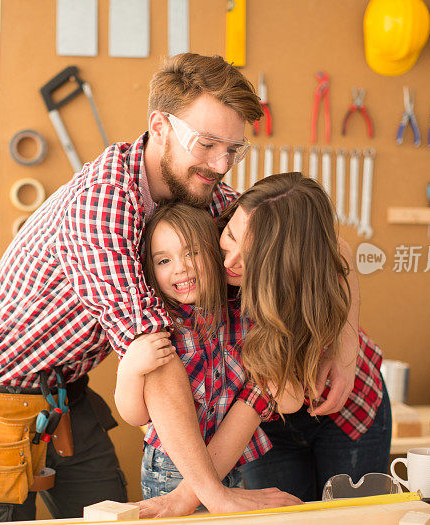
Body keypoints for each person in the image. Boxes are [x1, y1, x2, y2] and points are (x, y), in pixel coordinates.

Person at [0, 53, 299, 523]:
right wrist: (215, 497)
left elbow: (309, 248)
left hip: (67, 395)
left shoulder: (198, 192)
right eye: (206, 144)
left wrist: (343, 347)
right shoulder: (102, 202)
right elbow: (154, 353)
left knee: (113, 518)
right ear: (159, 124)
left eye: (233, 150)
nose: (221, 164)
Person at [219, 172, 392, 502]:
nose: (231, 261)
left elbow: (339, 251)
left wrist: (346, 350)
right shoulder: (237, 218)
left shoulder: (311, 259)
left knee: (351, 520)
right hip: (264, 422)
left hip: (349, 404)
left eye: (253, 257)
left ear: (292, 261)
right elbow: (283, 398)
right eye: (229, 236)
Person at [114, 202, 304, 502]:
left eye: (192, 253)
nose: (181, 267)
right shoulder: (162, 327)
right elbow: (135, 415)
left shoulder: (243, 316)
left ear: (216, 254)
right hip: (172, 469)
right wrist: (129, 370)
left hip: (232, 460)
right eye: (164, 261)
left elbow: (290, 398)